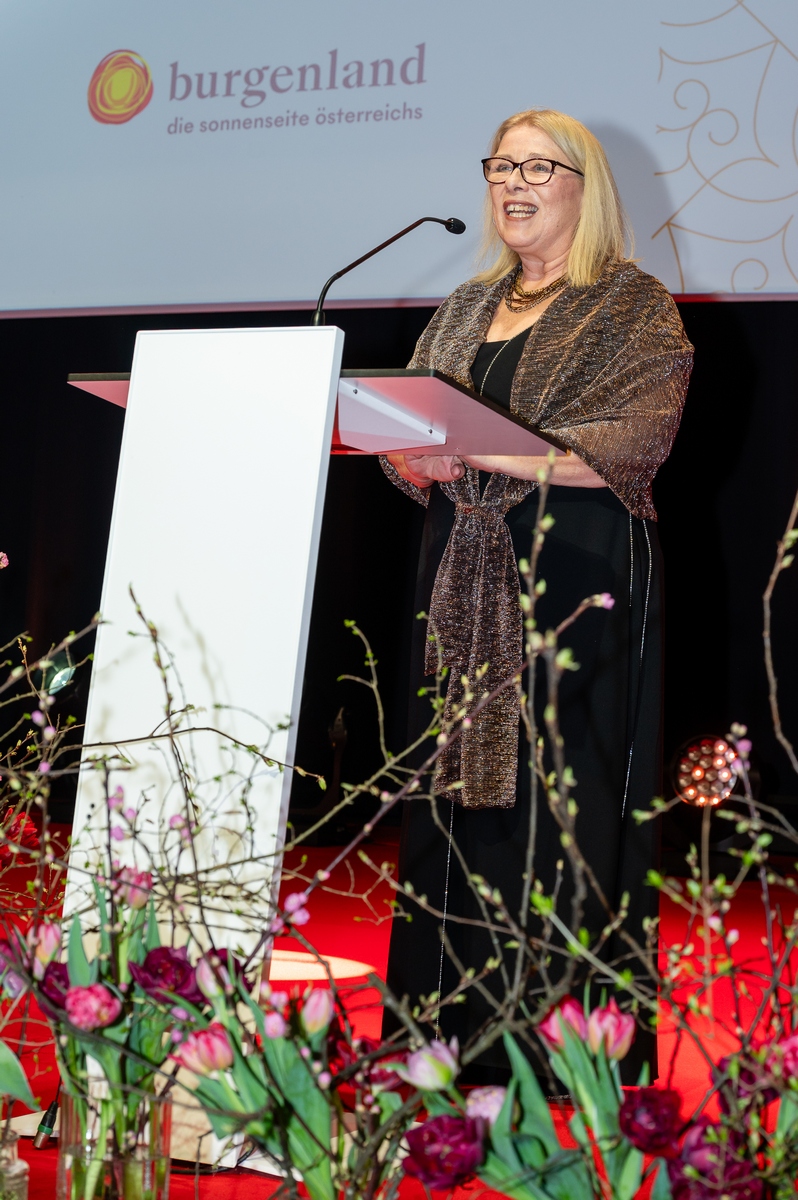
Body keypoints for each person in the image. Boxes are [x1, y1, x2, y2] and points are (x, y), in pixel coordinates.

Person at [380, 108, 693, 1084]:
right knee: (452, 796)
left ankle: (559, 1049)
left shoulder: (632, 305)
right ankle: (444, 1028)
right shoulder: (466, 305)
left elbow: (633, 444)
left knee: (565, 795)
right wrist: (410, 457)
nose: (513, 184)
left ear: (584, 188)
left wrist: (479, 448)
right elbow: (408, 420)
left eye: (537, 168)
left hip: (576, 573)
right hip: (463, 571)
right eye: (501, 167)